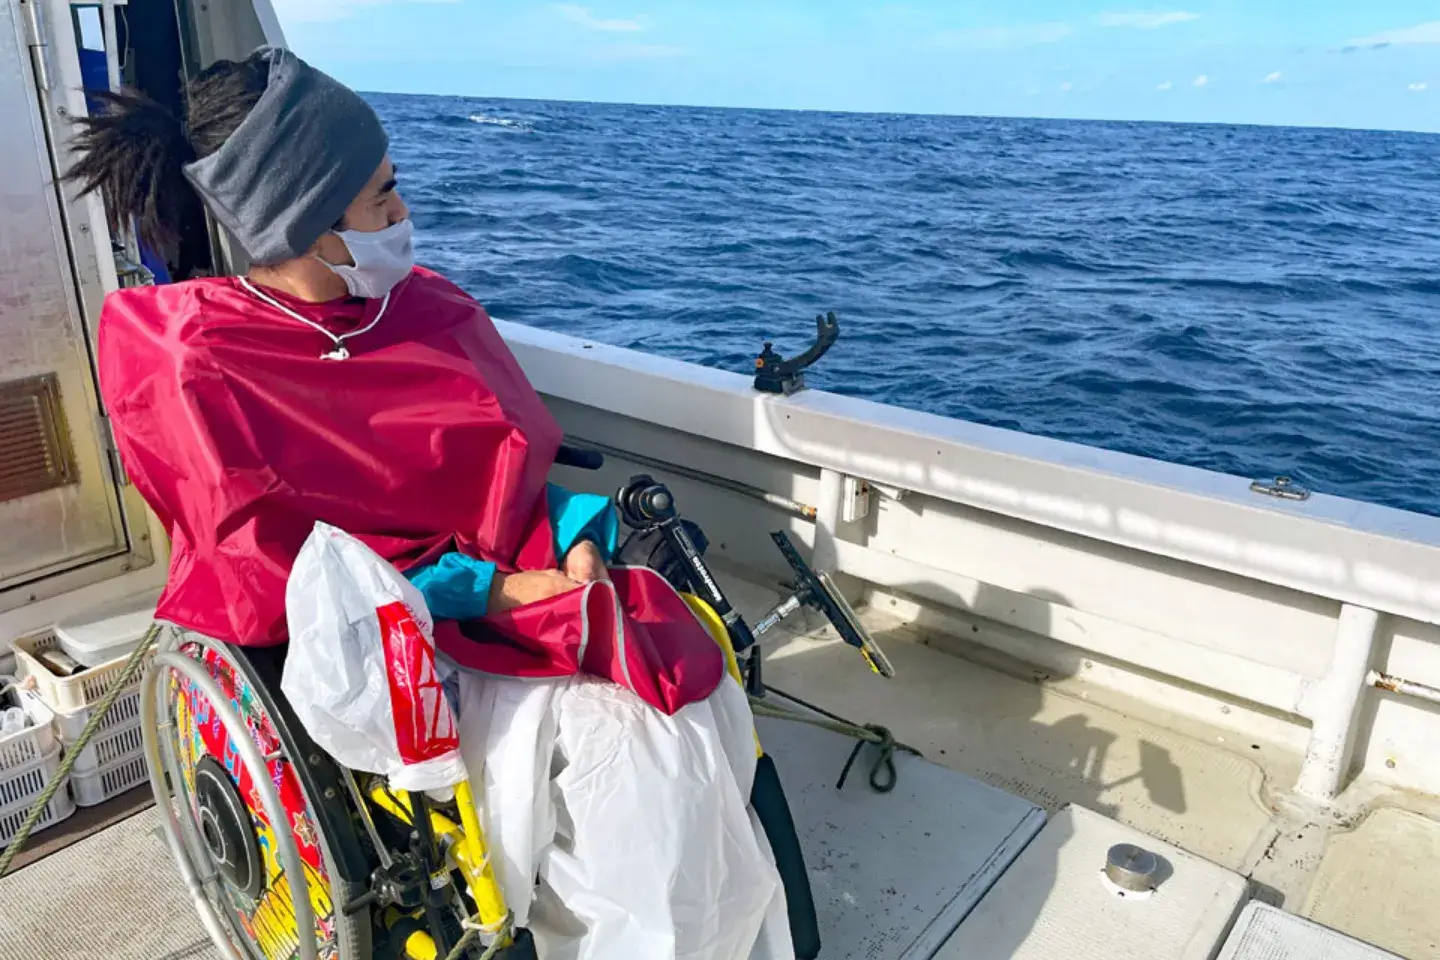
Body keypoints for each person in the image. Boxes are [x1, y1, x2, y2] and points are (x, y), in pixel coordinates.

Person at [69, 45, 793, 960]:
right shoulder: (200, 359)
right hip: (395, 645)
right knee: (633, 757)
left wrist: (570, 538)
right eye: (381, 196)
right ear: (309, 222)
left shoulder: (427, 309)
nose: (403, 213)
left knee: (697, 701)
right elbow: (277, 575)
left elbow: (515, 469)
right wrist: (482, 596)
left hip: (529, 588)